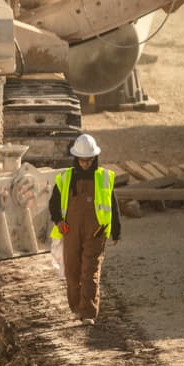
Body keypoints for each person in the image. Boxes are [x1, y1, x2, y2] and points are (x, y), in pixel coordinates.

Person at [50, 133, 119, 324]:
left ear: (94, 159)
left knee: (90, 272)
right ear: (76, 159)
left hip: (96, 232)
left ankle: (88, 312)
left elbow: (113, 205)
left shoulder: (103, 178)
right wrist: (58, 221)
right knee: (72, 272)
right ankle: (76, 307)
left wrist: (116, 231)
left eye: (89, 161)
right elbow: (54, 204)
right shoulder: (65, 178)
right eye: (82, 161)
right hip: (70, 231)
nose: (85, 164)